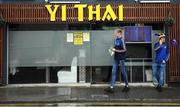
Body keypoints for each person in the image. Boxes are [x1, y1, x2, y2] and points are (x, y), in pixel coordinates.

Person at [104, 29, 129, 93]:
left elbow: (124, 49)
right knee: (113, 72)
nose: (115, 34)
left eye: (116, 33)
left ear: (119, 33)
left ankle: (127, 86)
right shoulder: (116, 39)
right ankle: (111, 87)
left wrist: (116, 51)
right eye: (115, 33)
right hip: (116, 58)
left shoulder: (122, 40)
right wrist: (112, 49)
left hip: (121, 59)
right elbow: (116, 47)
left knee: (123, 72)